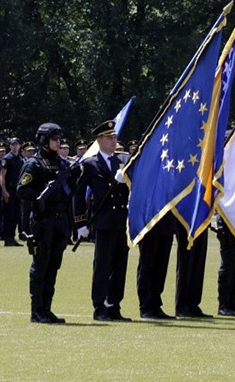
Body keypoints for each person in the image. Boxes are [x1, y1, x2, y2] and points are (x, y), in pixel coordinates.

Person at [18, 122, 77, 324]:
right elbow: (22, 190)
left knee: (54, 266)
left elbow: (71, 191)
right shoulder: (34, 164)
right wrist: (43, 195)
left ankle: (47, 308)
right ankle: (37, 310)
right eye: (54, 139)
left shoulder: (62, 164)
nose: (58, 142)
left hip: (60, 222)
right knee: (41, 265)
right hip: (43, 221)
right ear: (44, 140)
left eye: (59, 139)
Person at [75, 120, 131, 322]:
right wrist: (81, 223)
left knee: (120, 265)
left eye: (115, 137)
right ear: (99, 140)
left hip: (120, 221)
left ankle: (114, 305)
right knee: (102, 265)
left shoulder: (122, 162)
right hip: (103, 220)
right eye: (109, 138)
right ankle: (99, 306)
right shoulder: (90, 164)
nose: (113, 141)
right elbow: (79, 194)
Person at [136, 213, 177, 319]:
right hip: (149, 222)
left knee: (161, 267)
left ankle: (155, 303)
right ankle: (145, 306)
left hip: (167, 221)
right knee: (147, 265)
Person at [175, 227, 212, 318]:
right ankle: (182, 306)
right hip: (186, 221)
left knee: (198, 261)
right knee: (186, 263)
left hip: (202, 220)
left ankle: (193, 304)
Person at [0, 137, 23, 247]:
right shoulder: (7, 159)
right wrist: (4, 191)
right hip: (9, 189)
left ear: (19, 145)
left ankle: (12, 237)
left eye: (16, 144)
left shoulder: (21, 159)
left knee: (16, 215)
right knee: (8, 215)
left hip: (17, 190)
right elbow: (2, 176)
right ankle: (7, 238)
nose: (14, 146)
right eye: (12, 144)